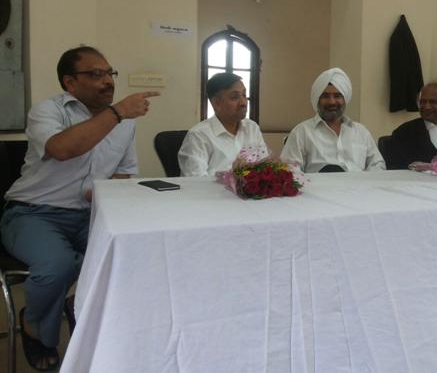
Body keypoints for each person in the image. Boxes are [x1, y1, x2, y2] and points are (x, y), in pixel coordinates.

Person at [0, 46, 158, 370]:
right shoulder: (47, 111)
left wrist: (104, 188)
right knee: (57, 265)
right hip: (33, 212)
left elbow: (124, 172)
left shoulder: (125, 124)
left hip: (90, 215)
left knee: (133, 254)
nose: (108, 81)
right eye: (96, 74)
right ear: (70, 82)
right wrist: (117, 112)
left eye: (110, 73)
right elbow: (62, 148)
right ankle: (33, 326)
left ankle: (79, 304)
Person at [281, 67, 385, 173]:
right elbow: (289, 169)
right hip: (318, 184)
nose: (332, 102)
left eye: (337, 96)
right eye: (325, 96)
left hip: (358, 183)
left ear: (344, 99)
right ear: (317, 100)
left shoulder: (361, 132)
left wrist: (365, 181)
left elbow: (377, 164)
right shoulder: (301, 132)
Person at [178, 73, 266, 176]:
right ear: (216, 103)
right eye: (234, 97)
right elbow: (195, 181)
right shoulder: (198, 135)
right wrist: (233, 176)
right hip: (212, 187)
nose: (243, 102)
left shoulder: (252, 128)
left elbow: (264, 167)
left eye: (244, 95)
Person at [386, 82, 437, 169]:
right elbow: (394, 166)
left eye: (433, 102)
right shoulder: (404, 132)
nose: (427, 107)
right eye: (423, 102)